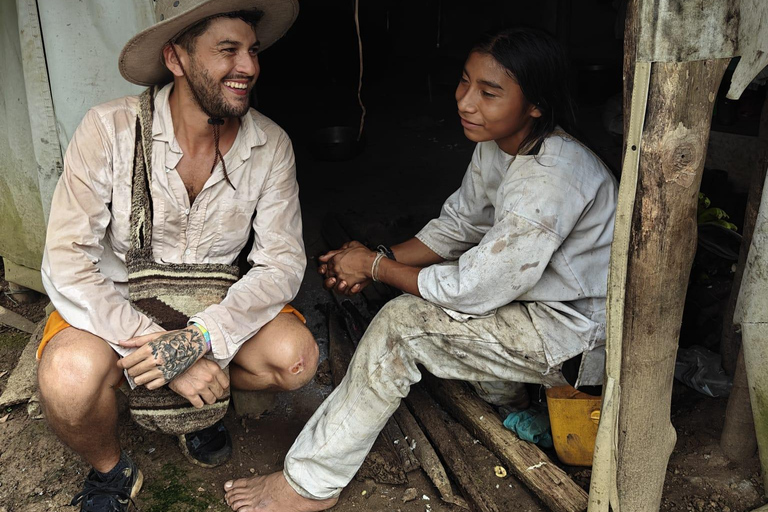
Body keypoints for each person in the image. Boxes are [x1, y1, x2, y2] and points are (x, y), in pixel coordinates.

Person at [222, 26, 618, 511]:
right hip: (531, 304)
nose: (466, 102)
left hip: (575, 336)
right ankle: (510, 402)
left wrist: (374, 265)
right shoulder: (501, 144)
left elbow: (471, 288)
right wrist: (369, 260)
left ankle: (310, 483)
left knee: (401, 327)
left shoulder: (551, 180)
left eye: (489, 92)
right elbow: (457, 226)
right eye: (464, 82)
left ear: (536, 104)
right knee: (439, 282)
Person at [36, 1, 318, 510]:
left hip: (212, 307)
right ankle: (112, 469)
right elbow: (67, 258)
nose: (249, 67)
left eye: (252, 51)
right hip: (117, 310)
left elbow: (281, 263)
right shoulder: (108, 130)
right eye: (227, 51)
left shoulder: (271, 144)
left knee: (295, 359)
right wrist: (164, 353)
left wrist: (201, 338)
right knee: (68, 381)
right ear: (176, 58)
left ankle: (192, 408)